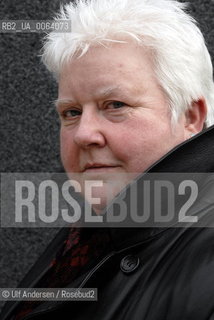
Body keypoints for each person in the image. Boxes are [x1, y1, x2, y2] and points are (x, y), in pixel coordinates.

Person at [1, 0, 214, 319]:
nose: (83, 134)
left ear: (190, 116)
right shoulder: (89, 234)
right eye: (71, 112)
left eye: (115, 105)